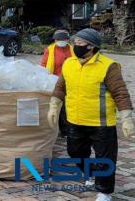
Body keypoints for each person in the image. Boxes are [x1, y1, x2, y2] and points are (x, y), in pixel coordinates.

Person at [48, 28, 134, 201]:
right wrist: (54, 106)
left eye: (80, 44)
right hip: (75, 119)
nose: (76, 46)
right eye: (75, 43)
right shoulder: (69, 63)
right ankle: (91, 174)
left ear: (92, 46)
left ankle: (105, 191)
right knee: (75, 152)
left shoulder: (108, 66)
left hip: (101, 123)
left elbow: (120, 93)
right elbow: (60, 87)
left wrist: (126, 118)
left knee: (105, 158)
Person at [40, 29, 73, 136]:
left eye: (63, 39)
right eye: (59, 39)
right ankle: (63, 129)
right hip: (55, 81)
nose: (61, 41)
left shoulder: (73, 50)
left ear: (67, 39)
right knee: (59, 105)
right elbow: (44, 65)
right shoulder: (50, 50)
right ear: (55, 39)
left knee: (69, 105)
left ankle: (66, 129)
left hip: (71, 80)